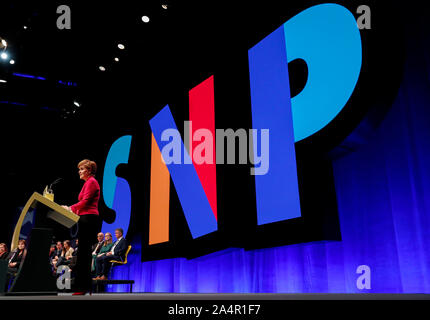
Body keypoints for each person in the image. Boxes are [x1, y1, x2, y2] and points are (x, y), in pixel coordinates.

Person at [62, 159, 101, 295]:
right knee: (83, 254)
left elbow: (85, 202)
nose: (79, 171)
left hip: (89, 219)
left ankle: (83, 287)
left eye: (82, 169)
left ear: (89, 171)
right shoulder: (87, 183)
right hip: (85, 218)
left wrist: (70, 208)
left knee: (84, 254)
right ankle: (84, 287)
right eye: (79, 169)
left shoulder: (92, 182)